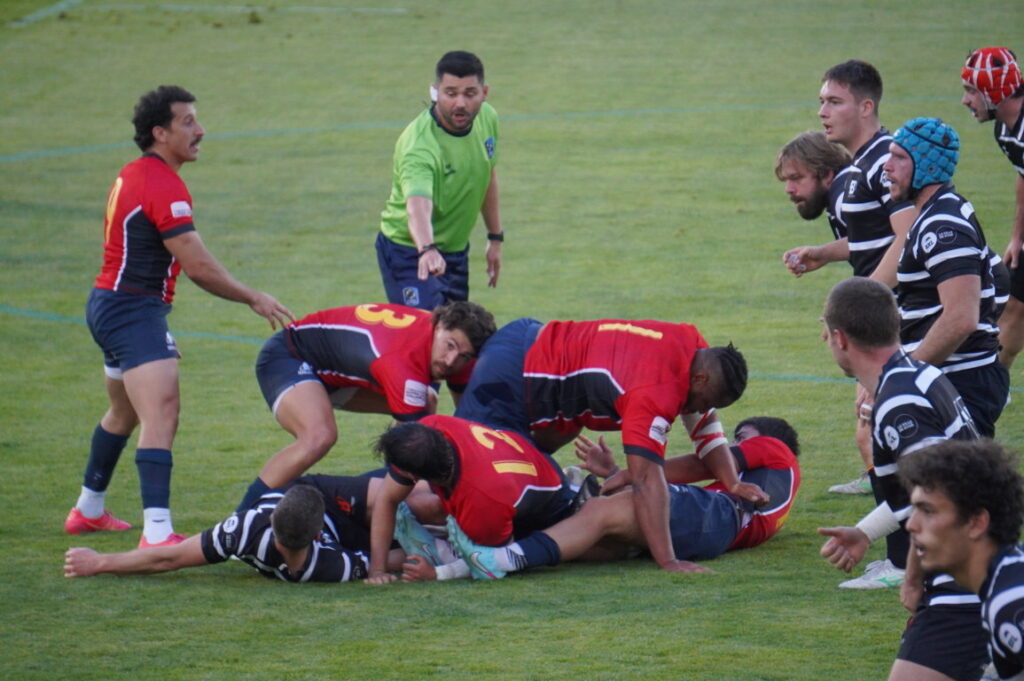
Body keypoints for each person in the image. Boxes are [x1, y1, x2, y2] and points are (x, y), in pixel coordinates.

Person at [66, 85, 294, 549]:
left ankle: (88, 509)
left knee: (125, 410)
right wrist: (253, 297)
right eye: (187, 122)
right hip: (131, 310)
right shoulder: (161, 184)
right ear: (159, 132)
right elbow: (198, 266)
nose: (200, 130)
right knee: (162, 412)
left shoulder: (135, 173)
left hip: (111, 304)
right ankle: (157, 534)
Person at [453, 316, 767, 575]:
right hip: (512, 374)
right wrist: (669, 561)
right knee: (467, 473)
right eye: (703, 400)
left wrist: (732, 482)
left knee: (527, 483)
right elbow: (646, 480)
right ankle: (423, 531)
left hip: (535, 352)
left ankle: (450, 536)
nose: (695, 408)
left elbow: (704, 422)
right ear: (699, 380)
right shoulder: (655, 393)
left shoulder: (693, 345)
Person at [817, 278, 987, 681]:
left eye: (826, 333)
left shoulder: (899, 403)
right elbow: (922, 494)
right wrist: (864, 532)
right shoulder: (921, 374)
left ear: (840, 338)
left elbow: (939, 498)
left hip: (961, 581)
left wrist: (912, 578)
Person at [399, 417, 801, 581]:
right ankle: (449, 558)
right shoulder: (751, 496)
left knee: (602, 508)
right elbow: (675, 502)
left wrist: (630, 473)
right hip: (708, 527)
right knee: (593, 536)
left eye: (741, 437)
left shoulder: (776, 453)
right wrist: (613, 474)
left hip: (718, 521)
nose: (732, 443)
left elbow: (702, 465)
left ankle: (495, 560)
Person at [783, 61, 918, 497]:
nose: (823, 111)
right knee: (873, 419)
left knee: (884, 421)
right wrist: (824, 253)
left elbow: (909, 237)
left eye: (834, 102)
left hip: (912, 312)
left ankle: (906, 546)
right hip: (897, 310)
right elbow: (874, 237)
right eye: (822, 101)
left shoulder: (885, 162)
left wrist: (860, 305)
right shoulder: (862, 166)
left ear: (865, 106)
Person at [236, 301, 496, 510]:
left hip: (337, 374)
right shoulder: (403, 366)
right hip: (288, 357)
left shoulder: (460, 353)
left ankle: (386, 505)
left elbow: (468, 424)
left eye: (462, 355)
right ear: (438, 326)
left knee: (426, 406)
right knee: (319, 436)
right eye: (449, 346)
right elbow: (414, 448)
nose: (451, 361)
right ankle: (238, 523)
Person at [884, 117, 1010, 437]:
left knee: (955, 484)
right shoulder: (940, 213)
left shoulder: (943, 227)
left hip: (959, 382)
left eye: (899, 157)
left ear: (926, 165)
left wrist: (902, 376)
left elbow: (961, 318)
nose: (887, 166)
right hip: (952, 378)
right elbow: (995, 280)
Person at [65, 475, 407, 583]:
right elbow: (392, 559)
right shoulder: (325, 565)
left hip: (326, 495)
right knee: (414, 525)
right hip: (321, 509)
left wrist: (100, 562)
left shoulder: (244, 531)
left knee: (415, 498)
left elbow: (170, 558)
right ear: (318, 535)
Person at [364, 414, 575, 584]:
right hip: (523, 464)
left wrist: (440, 573)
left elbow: (490, 560)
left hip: (549, 503)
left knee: (589, 546)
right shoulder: (431, 428)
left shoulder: (482, 499)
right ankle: (441, 544)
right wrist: (377, 569)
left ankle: (442, 551)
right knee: (418, 504)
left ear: (413, 475)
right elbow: (388, 498)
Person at [375, 50, 503, 310]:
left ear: (484, 93)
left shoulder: (488, 119)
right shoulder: (420, 146)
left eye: (469, 93)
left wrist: (495, 237)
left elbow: (486, 175)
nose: (460, 104)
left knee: (457, 338)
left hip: (454, 250)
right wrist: (427, 249)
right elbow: (417, 206)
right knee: (425, 333)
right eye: (450, 93)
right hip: (409, 251)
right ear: (435, 92)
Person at [901, 440, 1024, 681]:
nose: (911, 525)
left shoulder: (1011, 602)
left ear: (976, 523)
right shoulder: (1000, 588)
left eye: (928, 511)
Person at [961, 47, 1024, 369]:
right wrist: (1017, 238)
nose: (965, 100)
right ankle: (995, 383)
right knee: (1013, 306)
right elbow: (1023, 175)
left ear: (995, 91)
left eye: (971, 90)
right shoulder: (1005, 130)